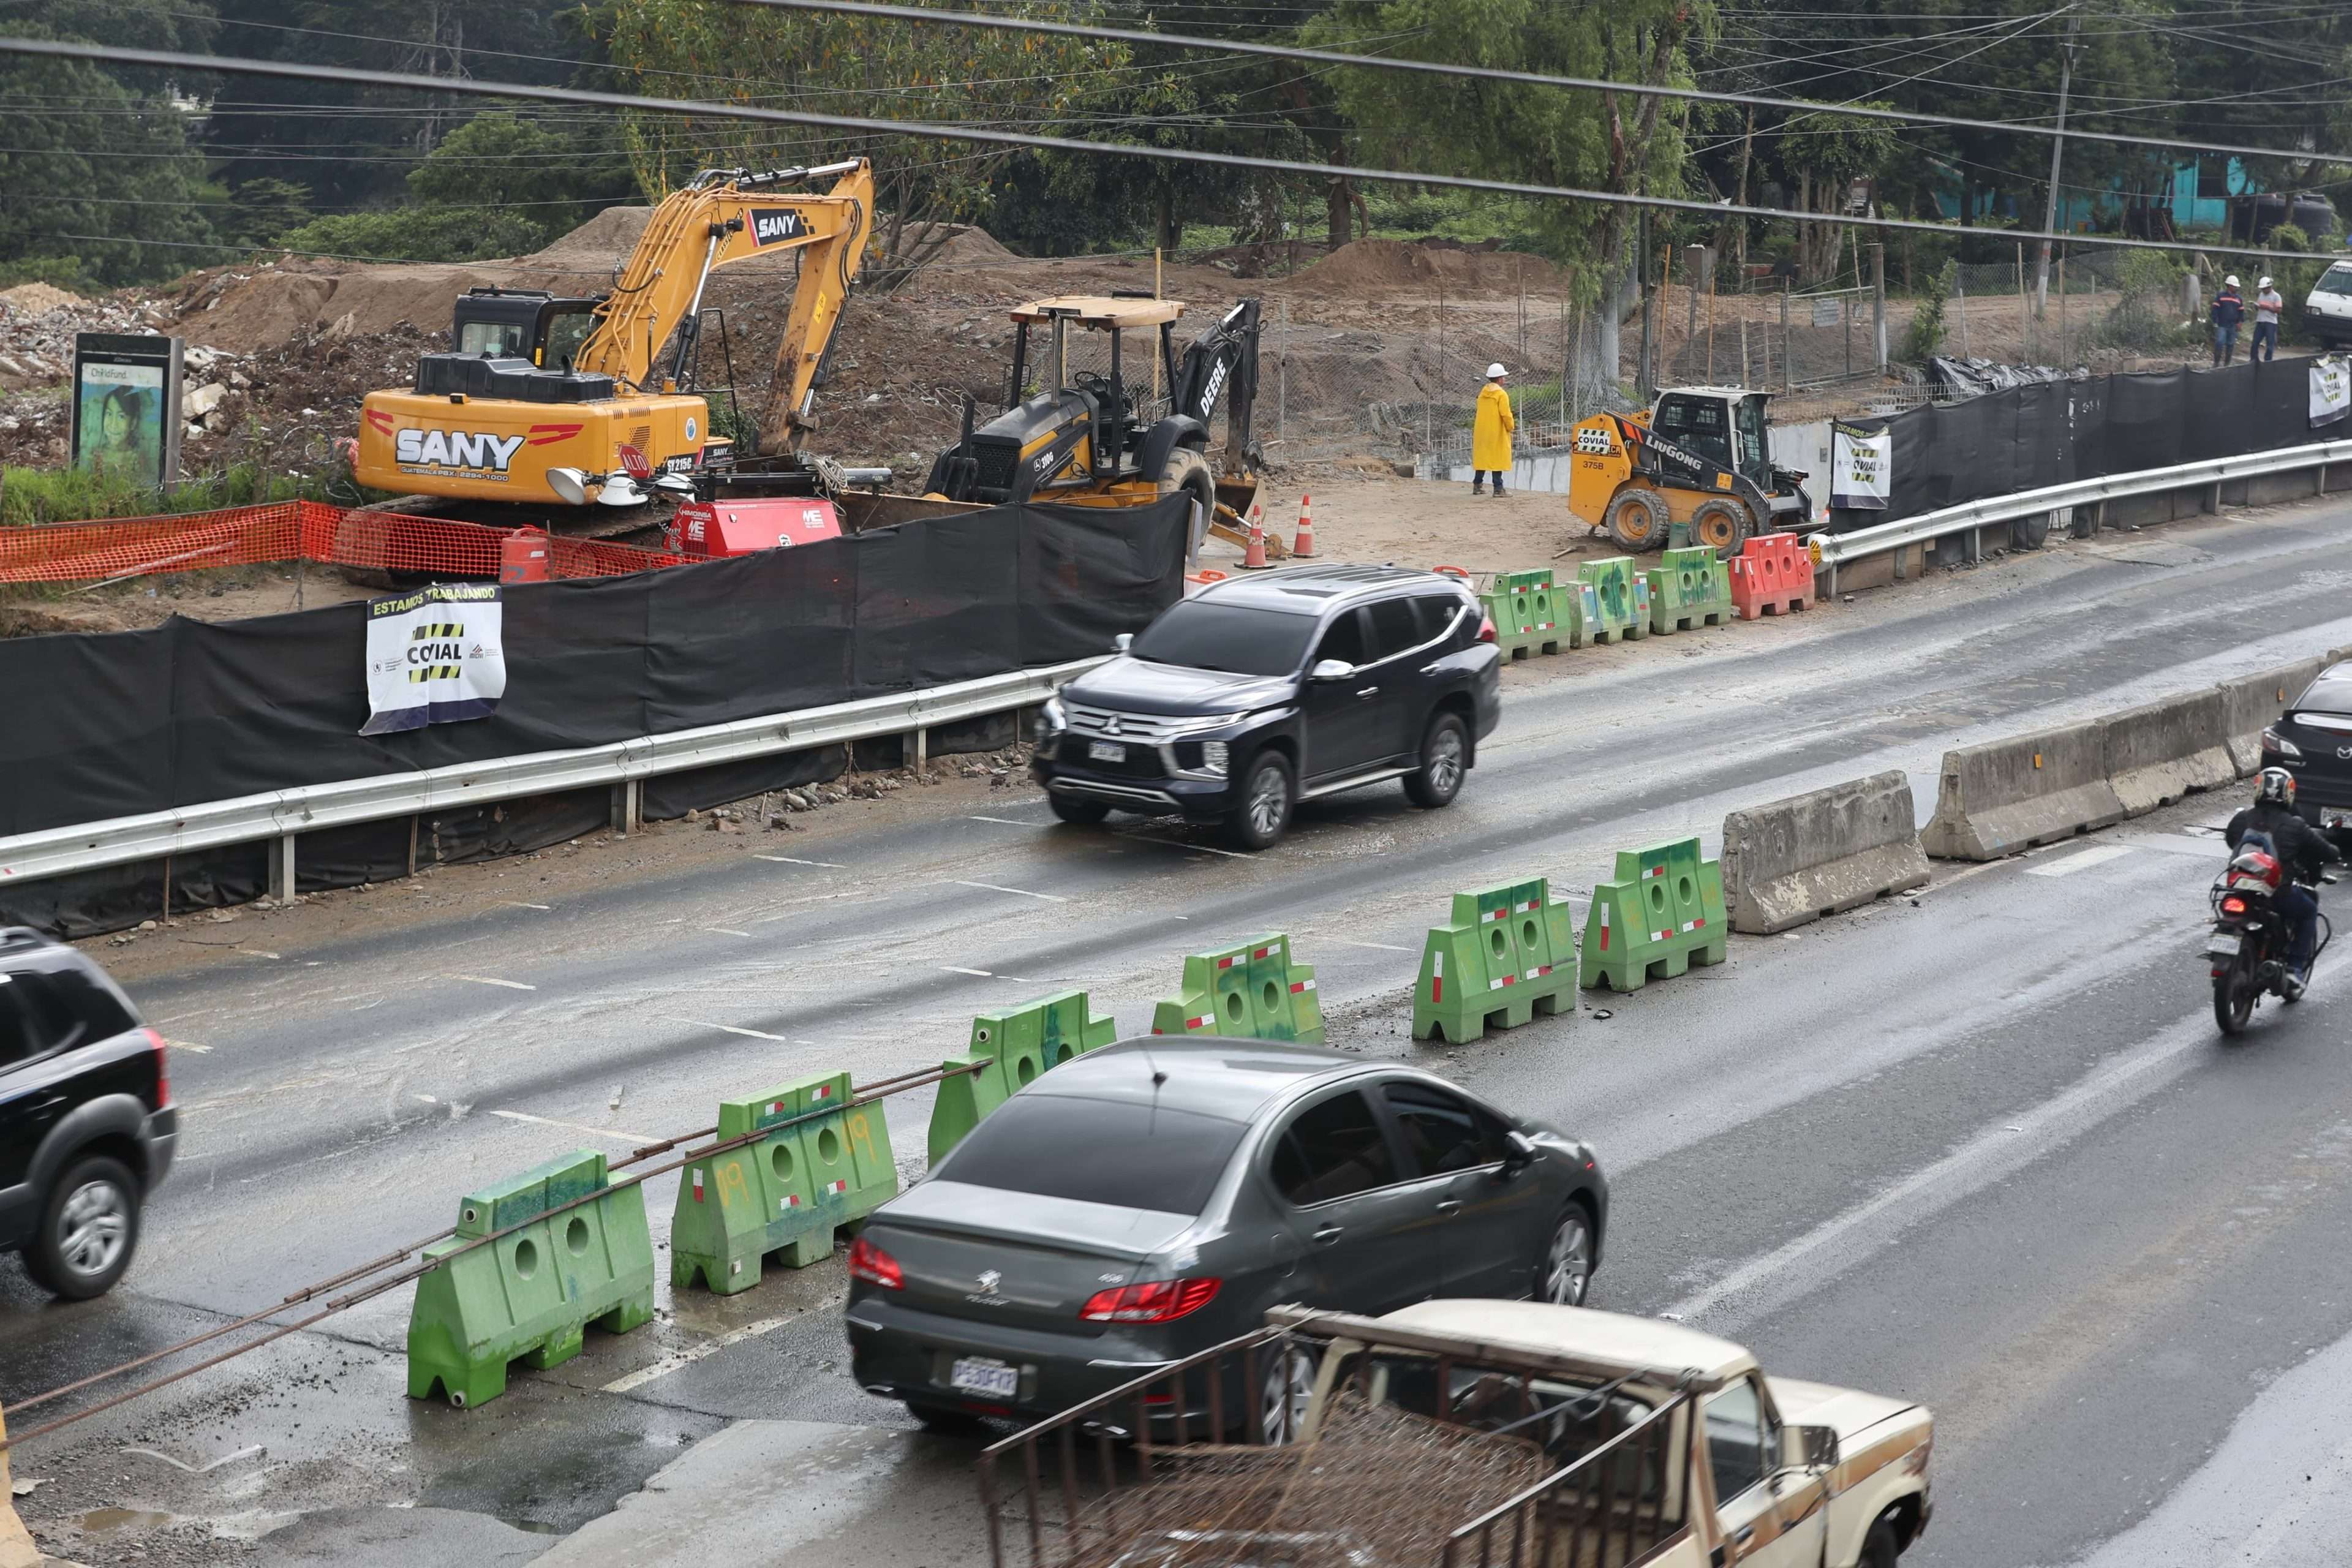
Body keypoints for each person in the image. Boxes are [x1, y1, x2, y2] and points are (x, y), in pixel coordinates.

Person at [2224, 766, 2340, 997]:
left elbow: (2231, 840)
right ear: (2288, 794)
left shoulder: (2242, 819)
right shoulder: (2295, 825)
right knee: (2308, 910)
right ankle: (2294, 969)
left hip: (2237, 888)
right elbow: (2326, 851)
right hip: (2276, 894)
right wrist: (2336, 851)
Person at [1471, 363, 1515, 496]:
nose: (1504, 380)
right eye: (1503, 377)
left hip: (1482, 432)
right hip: (1497, 432)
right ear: (1500, 379)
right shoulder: (1501, 394)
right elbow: (1506, 414)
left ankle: (1477, 485)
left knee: (1483, 458)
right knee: (1497, 459)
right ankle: (1498, 488)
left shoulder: (1483, 393)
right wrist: (1510, 426)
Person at [2211, 275, 2244, 368]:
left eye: (2237, 287)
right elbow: (2215, 309)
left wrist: (2240, 322)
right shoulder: (2221, 296)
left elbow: (2241, 312)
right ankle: (2216, 363)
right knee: (2220, 342)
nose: (2237, 288)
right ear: (2229, 286)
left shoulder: (2239, 299)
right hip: (2222, 324)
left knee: (2231, 344)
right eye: (2235, 286)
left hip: (2233, 325)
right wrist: (2215, 321)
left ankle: (2227, 364)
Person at [2252, 276, 2285, 363]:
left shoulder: (2276, 296)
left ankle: (2268, 361)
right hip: (2260, 321)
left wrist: (2267, 307)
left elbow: (2279, 310)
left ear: (2269, 287)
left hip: (2271, 323)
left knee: (2270, 344)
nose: (2263, 291)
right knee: (2255, 343)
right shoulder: (2261, 295)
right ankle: (2253, 360)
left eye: (2264, 289)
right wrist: (2256, 306)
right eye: (2262, 289)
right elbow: (2259, 306)